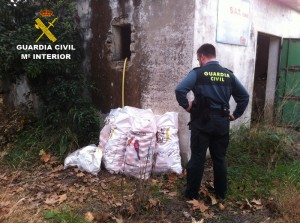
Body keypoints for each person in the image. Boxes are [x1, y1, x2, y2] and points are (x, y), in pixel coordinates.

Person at [175, 43, 249, 200]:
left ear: (202, 57)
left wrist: (187, 106)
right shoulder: (228, 75)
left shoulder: (198, 73)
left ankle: (191, 194)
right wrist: (235, 115)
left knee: (197, 158)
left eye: (198, 59)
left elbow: (180, 89)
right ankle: (221, 193)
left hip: (201, 123)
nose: (198, 62)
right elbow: (244, 96)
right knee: (220, 159)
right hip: (222, 123)